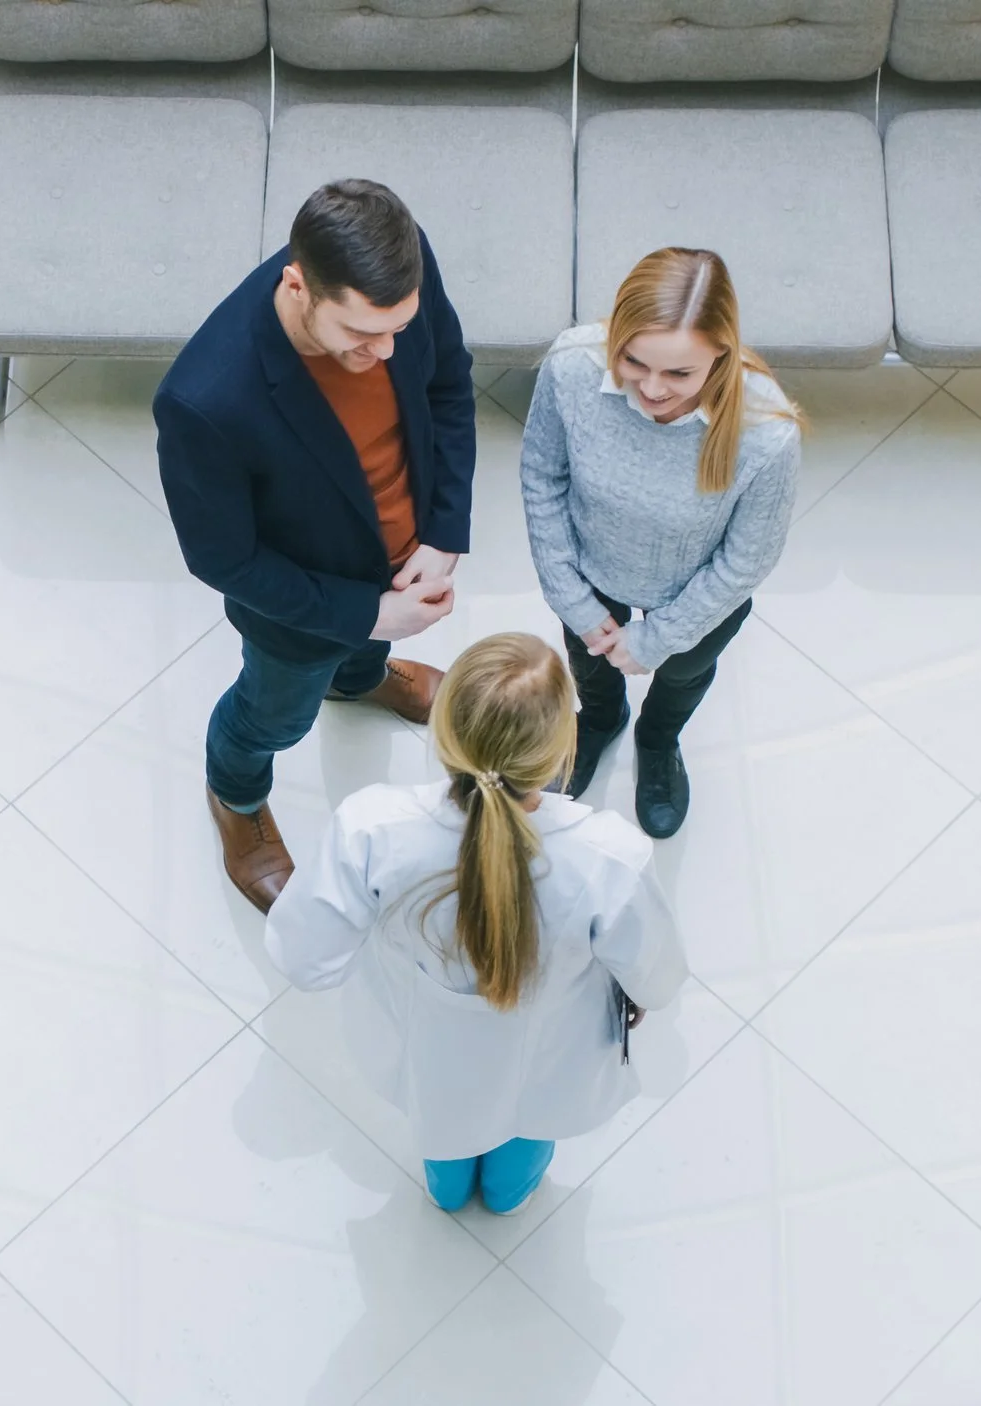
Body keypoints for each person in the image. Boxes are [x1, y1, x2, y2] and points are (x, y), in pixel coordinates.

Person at [264, 632, 685, 1214]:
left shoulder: (370, 828)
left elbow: (306, 961)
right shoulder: (611, 855)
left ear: (445, 730)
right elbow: (657, 977)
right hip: (552, 1055)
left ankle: (448, 1192)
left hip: (430, 1053)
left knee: (444, 1138)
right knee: (526, 1138)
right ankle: (510, 1198)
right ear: (561, 748)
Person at [156, 178, 478, 913]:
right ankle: (235, 797)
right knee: (274, 715)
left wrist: (445, 528)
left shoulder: (399, 276)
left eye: (398, 328)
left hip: (399, 556)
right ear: (298, 287)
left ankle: (360, 678)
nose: (387, 349)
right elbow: (223, 560)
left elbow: (449, 384)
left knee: (358, 655)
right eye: (362, 337)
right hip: (301, 611)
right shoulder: (204, 400)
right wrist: (367, 615)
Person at [520, 247, 803, 838]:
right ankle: (597, 723)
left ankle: (658, 741)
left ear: (720, 355)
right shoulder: (571, 367)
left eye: (679, 373)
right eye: (634, 361)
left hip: (695, 591)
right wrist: (570, 595)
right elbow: (542, 477)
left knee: (684, 672)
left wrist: (659, 637)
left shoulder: (765, 432)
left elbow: (747, 558)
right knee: (589, 666)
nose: (651, 389)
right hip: (590, 570)